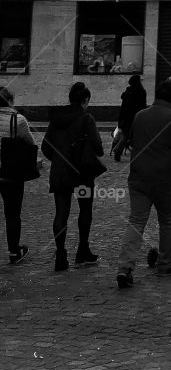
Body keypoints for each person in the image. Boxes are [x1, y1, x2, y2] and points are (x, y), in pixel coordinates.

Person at [116, 78, 171, 288]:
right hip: (166, 178)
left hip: (139, 177)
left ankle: (125, 268)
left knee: (136, 221)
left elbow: (133, 141)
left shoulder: (140, 115)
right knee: (168, 221)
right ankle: (165, 264)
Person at [42, 81, 104, 271]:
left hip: (60, 173)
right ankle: (82, 250)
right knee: (85, 209)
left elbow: (45, 147)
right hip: (82, 174)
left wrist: (60, 159)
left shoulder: (56, 119)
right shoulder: (87, 119)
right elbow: (98, 148)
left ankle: (60, 254)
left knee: (61, 212)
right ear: (85, 100)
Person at [0, 86, 39, 265]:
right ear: (10, 100)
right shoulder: (18, 120)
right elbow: (31, 143)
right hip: (10, 173)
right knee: (12, 213)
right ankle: (14, 251)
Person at [114, 73, 147, 159]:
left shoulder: (127, 91)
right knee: (137, 136)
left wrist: (121, 119)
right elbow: (142, 105)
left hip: (126, 118)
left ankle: (118, 150)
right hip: (136, 117)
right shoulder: (141, 91)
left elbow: (123, 106)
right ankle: (136, 154)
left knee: (125, 136)